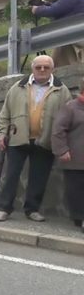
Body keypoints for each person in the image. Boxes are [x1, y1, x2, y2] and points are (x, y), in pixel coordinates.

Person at [0, 55, 73, 222]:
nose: (42, 70)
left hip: (45, 139)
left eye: (46, 67)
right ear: (33, 69)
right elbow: (5, 113)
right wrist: (2, 133)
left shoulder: (62, 90)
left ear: (52, 69)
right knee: (12, 175)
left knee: (39, 177)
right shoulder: (17, 87)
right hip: (17, 138)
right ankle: (4, 209)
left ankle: (32, 209)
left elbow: (67, 118)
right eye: (39, 67)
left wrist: (63, 142)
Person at [30, 0, 84, 67]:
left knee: (63, 67)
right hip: (77, 34)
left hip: (71, 36)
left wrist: (38, 10)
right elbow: (64, 7)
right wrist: (47, 4)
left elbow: (56, 10)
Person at [52, 85, 84, 233]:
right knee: (76, 190)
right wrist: (62, 150)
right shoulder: (71, 107)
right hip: (75, 158)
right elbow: (58, 130)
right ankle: (79, 218)